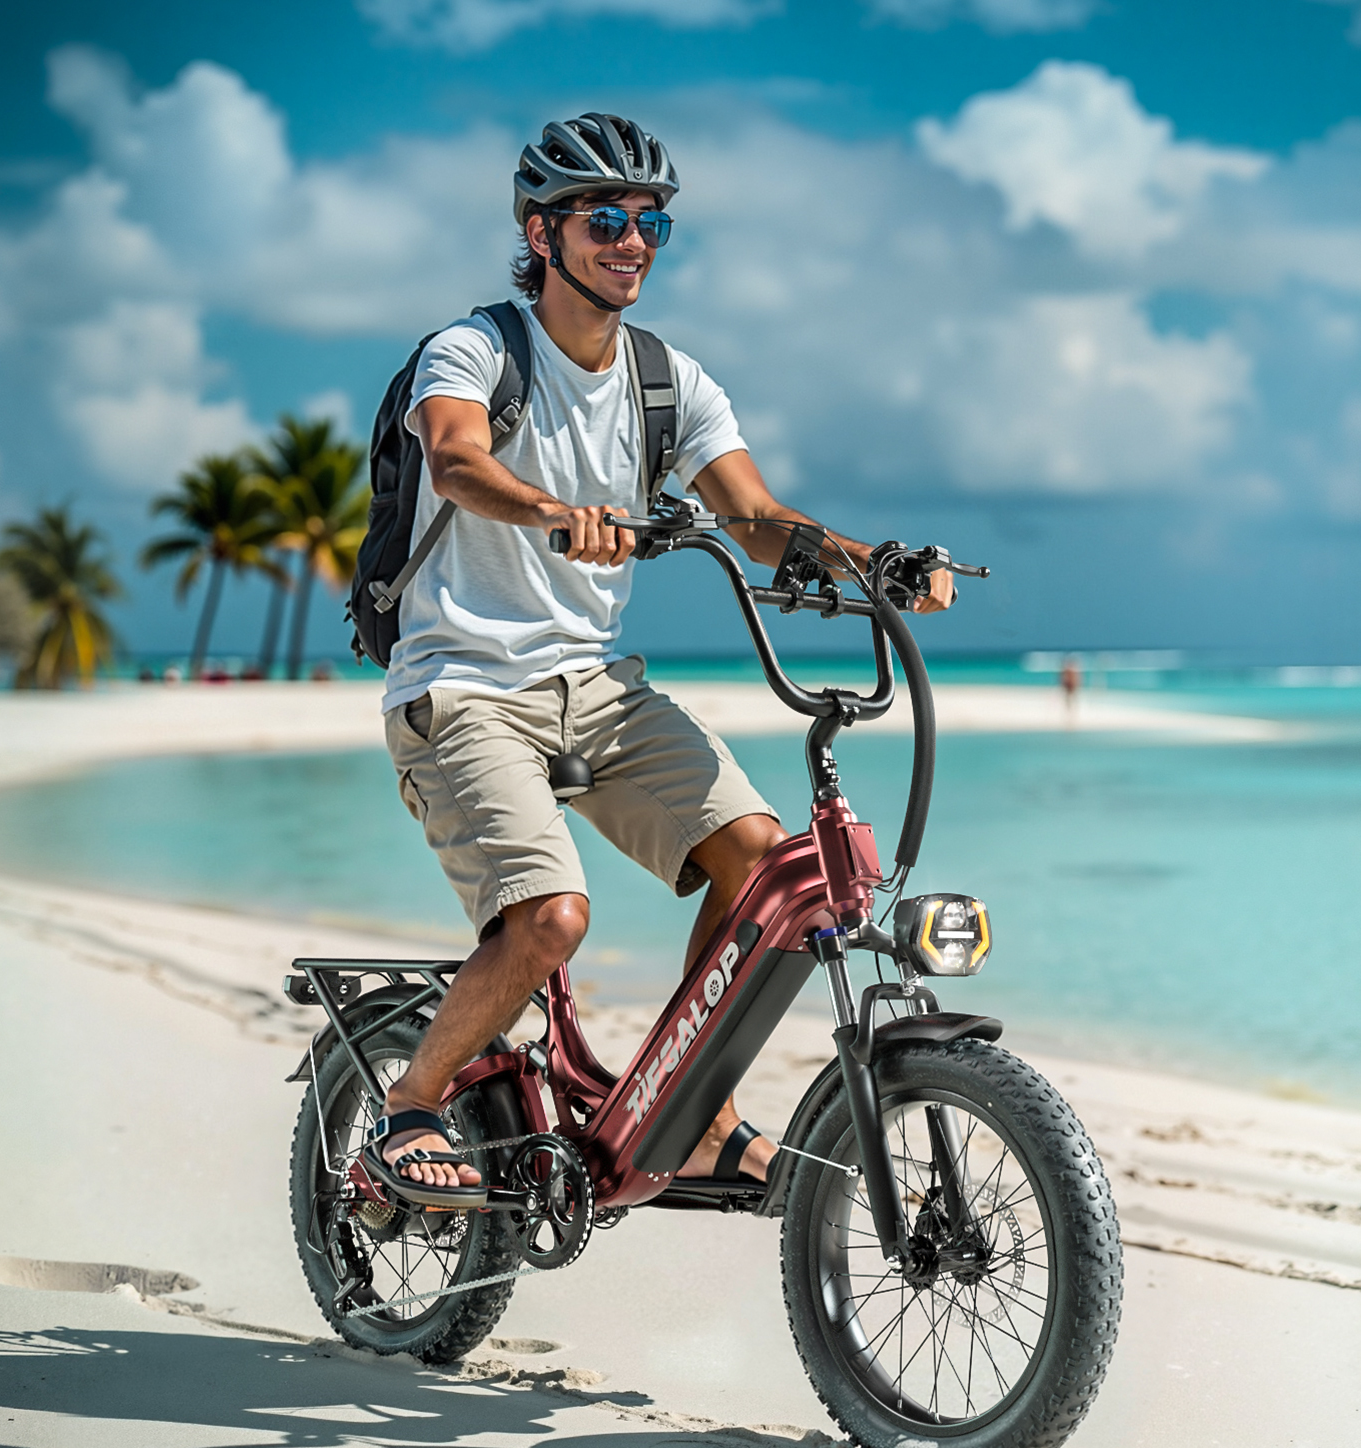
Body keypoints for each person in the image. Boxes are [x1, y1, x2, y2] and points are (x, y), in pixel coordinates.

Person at [367, 112, 954, 1208]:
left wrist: (875, 563)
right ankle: (410, 1106)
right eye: (606, 219)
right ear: (542, 232)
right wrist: (554, 514)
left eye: (651, 222)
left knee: (763, 864)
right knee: (550, 918)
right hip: (461, 687)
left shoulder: (668, 382)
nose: (633, 239)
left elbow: (757, 516)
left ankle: (693, 1112)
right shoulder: (477, 350)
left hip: (592, 686)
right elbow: (452, 457)